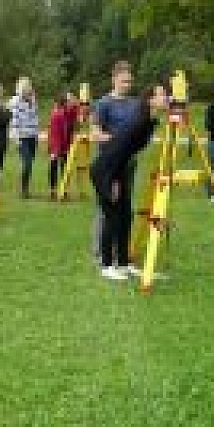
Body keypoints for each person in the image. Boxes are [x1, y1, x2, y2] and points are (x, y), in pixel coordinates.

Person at [90, 84, 167, 280]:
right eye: (162, 95)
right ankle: (107, 266)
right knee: (112, 217)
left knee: (126, 217)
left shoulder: (149, 121)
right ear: (150, 99)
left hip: (119, 169)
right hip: (106, 169)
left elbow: (128, 152)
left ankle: (123, 264)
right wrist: (113, 180)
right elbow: (118, 149)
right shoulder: (138, 121)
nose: (166, 97)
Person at [90, 61, 142, 267]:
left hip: (128, 163)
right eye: (123, 81)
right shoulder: (103, 104)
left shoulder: (134, 104)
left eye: (129, 81)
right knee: (106, 208)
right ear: (114, 79)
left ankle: (120, 251)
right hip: (109, 164)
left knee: (124, 208)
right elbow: (94, 134)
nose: (127, 84)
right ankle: (100, 251)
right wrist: (116, 140)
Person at [8, 77, 40, 198]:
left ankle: (25, 188)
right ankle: (23, 189)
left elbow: (35, 117)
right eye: (26, 88)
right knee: (26, 163)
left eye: (30, 87)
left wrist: (36, 133)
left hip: (32, 135)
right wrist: (17, 139)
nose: (29, 90)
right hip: (22, 137)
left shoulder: (33, 100)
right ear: (21, 89)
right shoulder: (15, 102)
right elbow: (14, 120)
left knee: (29, 163)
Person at [47, 95, 74, 196]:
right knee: (56, 166)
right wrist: (56, 149)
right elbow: (55, 133)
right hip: (57, 145)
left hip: (63, 145)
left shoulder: (65, 113)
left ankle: (62, 189)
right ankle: (54, 189)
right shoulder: (57, 114)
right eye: (68, 102)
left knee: (63, 167)